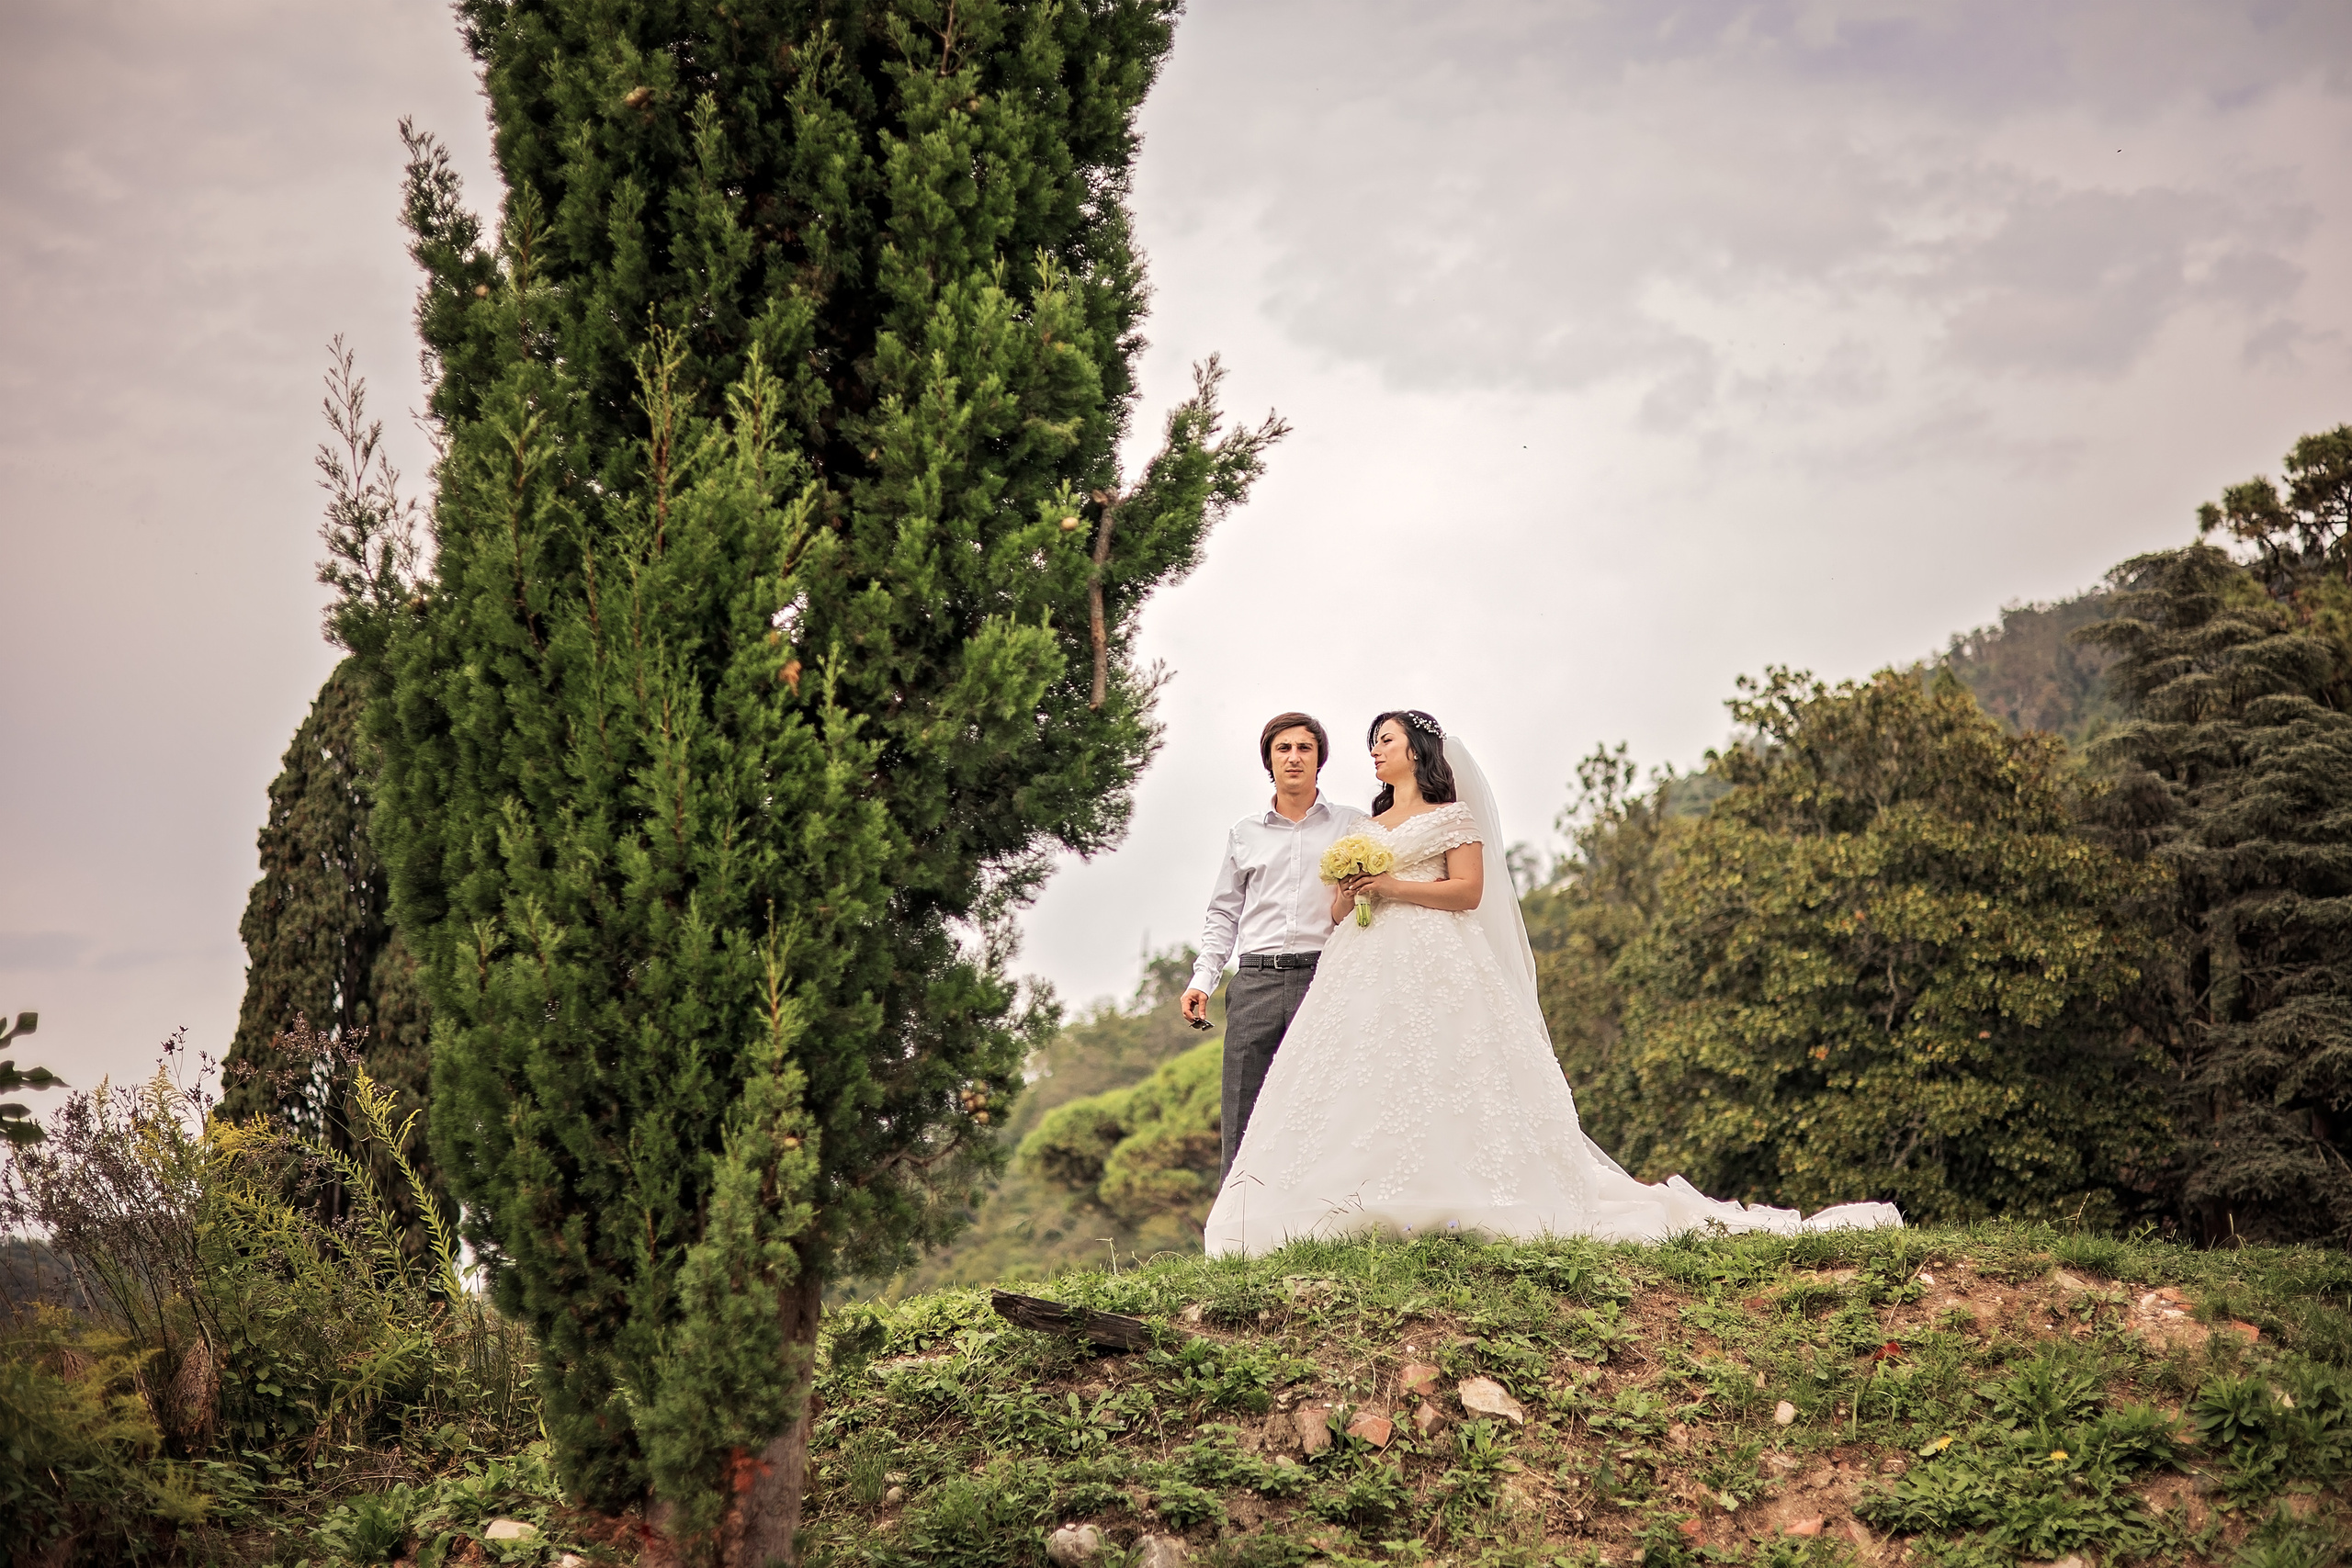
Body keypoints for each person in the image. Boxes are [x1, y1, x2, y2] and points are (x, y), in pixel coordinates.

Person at [1202, 708, 1901, 1256]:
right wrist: (1354, 889)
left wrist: (1390, 884)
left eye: (1382, 739)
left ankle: (1458, 1193)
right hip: (1363, 958)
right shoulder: (1367, 822)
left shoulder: (1453, 817)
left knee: (1449, 1065)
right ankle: (1334, 1196)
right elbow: (1335, 908)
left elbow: (1469, 893)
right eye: (1372, 743)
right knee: (1361, 1075)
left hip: (1437, 954)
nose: (1375, 752)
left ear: (1414, 749)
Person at [1183, 712, 1367, 1182]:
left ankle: (1329, 1220)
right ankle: (1236, 1235)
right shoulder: (1244, 833)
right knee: (1243, 1109)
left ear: (1319, 759)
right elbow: (1223, 914)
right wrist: (1202, 979)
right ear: (1269, 758)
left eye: (1304, 748)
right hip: (1255, 982)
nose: (1294, 757)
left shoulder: (1351, 825)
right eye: (1283, 748)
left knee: (1327, 1103)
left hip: (1324, 978)